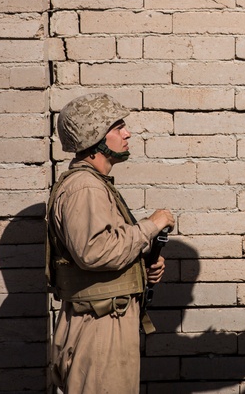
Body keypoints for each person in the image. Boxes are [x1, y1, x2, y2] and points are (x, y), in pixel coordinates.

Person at [46, 92, 175, 393]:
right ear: (94, 138)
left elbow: (104, 246)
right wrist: (150, 226)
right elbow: (94, 252)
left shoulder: (94, 184)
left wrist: (141, 265)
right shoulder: (84, 187)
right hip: (98, 326)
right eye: (117, 127)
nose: (126, 133)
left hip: (106, 320)